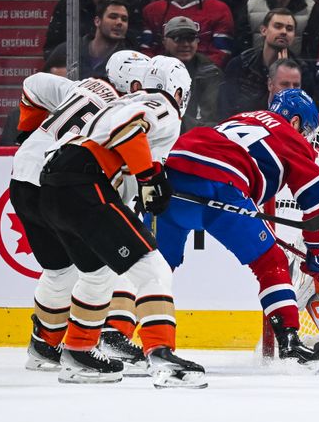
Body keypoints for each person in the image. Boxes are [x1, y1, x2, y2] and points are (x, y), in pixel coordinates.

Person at [38, 55, 207, 387]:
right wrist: (149, 178)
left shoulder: (127, 98)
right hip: (84, 185)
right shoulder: (163, 107)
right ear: (179, 91)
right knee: (153, 268)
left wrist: (150, 179)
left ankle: (78, 353)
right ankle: (162, 356)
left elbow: (124, 140)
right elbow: (127, 129)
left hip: (54, 185)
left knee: (96, 273)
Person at [153, 89, 319, 362]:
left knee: (151, 265)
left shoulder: (241, 118)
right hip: (221, 185)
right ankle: (289, 344)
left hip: (172, 177)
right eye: (305, 130)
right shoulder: (290, 138)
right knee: (272, 262)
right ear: (295, 122)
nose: (305, 138)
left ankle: (115, 333)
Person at [11, 50, 149, 373]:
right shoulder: (126, 111)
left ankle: (43, 346)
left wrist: (28, 130)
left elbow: (32, 85)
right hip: (59, 185)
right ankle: (81, 348)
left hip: (22, 177)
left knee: (60, 271)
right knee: (98, 268)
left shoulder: (83, 87)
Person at [141, 0, 235, 68]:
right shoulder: (152, 11)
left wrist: (196, 73)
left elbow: (221, 53)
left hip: (203, 79)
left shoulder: (220, 10)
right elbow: (146, 51)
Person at [219, 8, 314, 116]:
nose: (284, 32)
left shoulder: (302, 71)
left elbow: (302, 115)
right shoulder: (240, 64)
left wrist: (281, 76)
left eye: (289, 29)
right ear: (263, 30)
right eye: (278, 26)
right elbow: (226, 108)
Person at [50, 0, 137, 80]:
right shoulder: (67, 51)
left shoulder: (131, 63)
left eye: (124, 19)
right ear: (97, 21)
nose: (119, 22)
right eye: (113, 17)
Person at [161, 16, 223, 132]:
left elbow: (210, 118)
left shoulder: (211, 72)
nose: (185, 44)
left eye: (190, 38)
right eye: (178, 38)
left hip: (199, 137)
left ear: (197, 42)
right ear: (165, 42)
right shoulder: (153, 71)